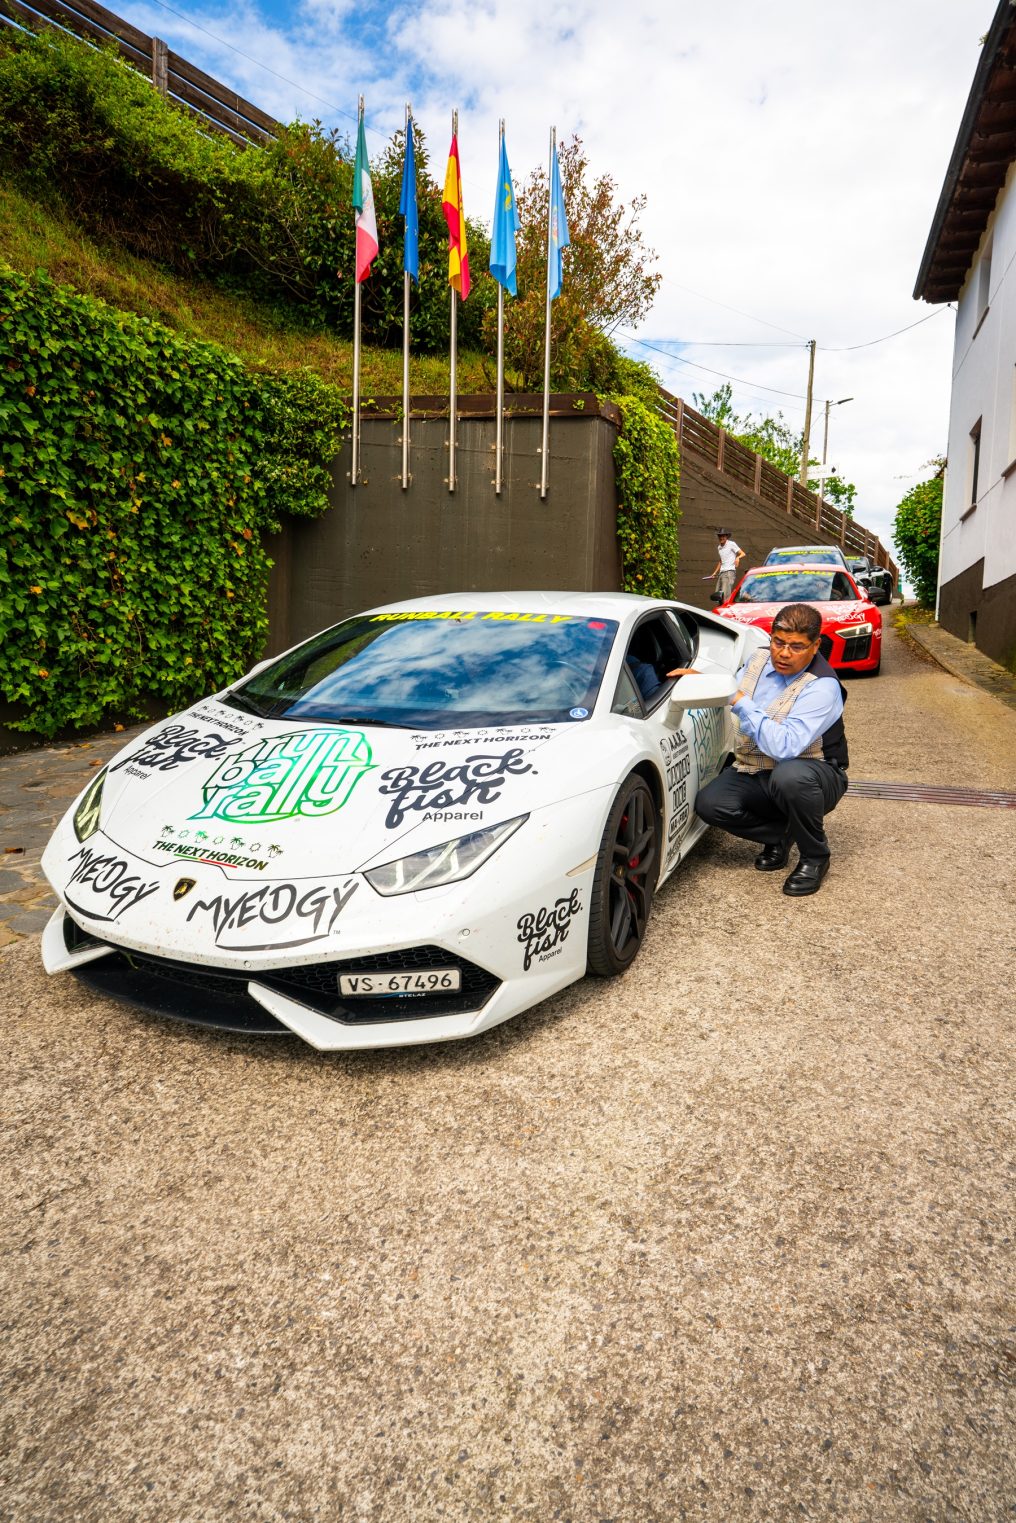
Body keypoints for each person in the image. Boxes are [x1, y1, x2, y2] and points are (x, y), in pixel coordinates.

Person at [693, 603, 848, 896]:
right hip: (756, 767)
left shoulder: (822, 686)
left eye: (796, 646)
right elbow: (731, 688)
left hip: (816, 773)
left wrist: (742, 702)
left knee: (790, 777)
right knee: (710, 805)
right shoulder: (758, 658)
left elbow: (785, 747)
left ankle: (815, 856)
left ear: (815, 646)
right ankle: (782, 835)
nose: (784, 653)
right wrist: (698, 679)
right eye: (778, 642)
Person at [706, 529, 745, 603]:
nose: (721, 537)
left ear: (726, 537)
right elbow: (721, 561)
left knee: (725, 596)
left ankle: (725, 610)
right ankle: (721, 609)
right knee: (718, 596)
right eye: (720, 536)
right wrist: (715, 573)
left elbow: (742, 553)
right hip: (722, 573)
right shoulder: (719, 547)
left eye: (723, 536)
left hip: (729, 572)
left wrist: (737, 558)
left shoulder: (731, 544)